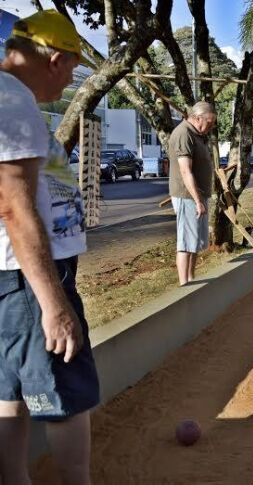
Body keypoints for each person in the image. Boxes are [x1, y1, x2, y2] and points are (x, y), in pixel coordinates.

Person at [0, 10, 100, 484]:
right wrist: (54, 304)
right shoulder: (11, 101)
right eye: (73, 70)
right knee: (62, 392)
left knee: (11, 392)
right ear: (55, 60)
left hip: (15, 276)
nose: (68, 83)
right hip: (28, 278)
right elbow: (14, 208)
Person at [168, 101, 216, 286]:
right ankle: (184, 285)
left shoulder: (198, 134)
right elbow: (185, 171)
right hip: (188, 196)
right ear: (197, 118)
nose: (211, 127)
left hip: (198, 196)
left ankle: (191, 281)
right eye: (209, 123)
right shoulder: (183, 133)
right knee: (186, 243)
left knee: (194, 242)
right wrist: (197, 200)